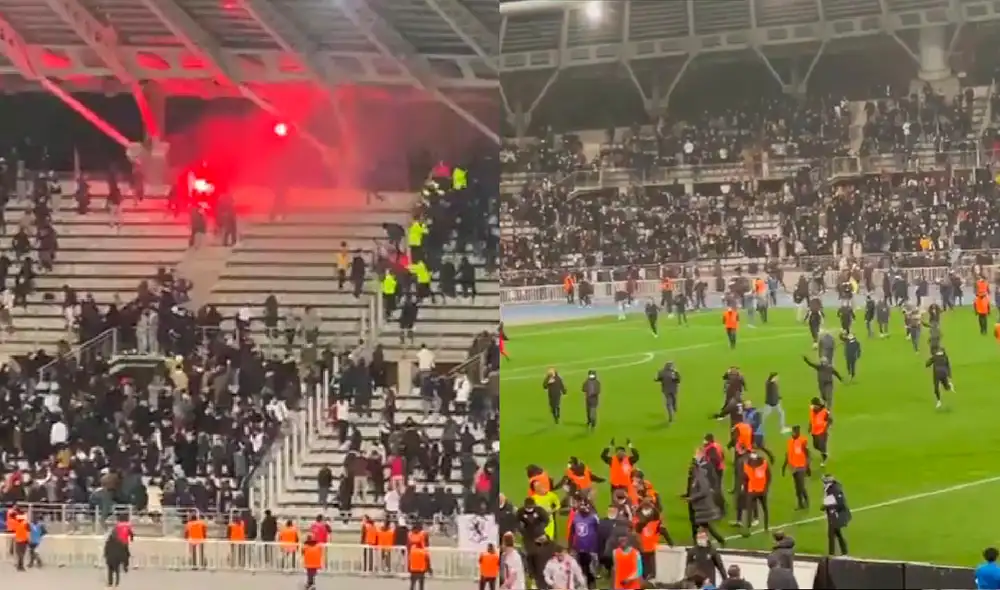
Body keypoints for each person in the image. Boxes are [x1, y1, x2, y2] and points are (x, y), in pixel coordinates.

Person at [740, 451, 771, 534]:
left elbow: (745, 478)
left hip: (753, 491)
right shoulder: (764, 464)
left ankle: (749, 529)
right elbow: (769, 477)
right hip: (759, 490)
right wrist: (766, 488)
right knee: (764, 509)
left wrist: (743, 486)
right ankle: (766, 527)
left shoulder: (747, 466)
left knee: (750, 509)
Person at [782, 425, 811, 510]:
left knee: (801, 486)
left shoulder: (803, 441)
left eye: (794, 432)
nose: (793, 434)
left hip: (801, 467)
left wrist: (808, 466)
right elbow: (788, 454)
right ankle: (800, 504)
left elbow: (807, 454)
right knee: (797, 487)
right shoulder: (790, 441)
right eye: (792, 432)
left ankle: (806, 501)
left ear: (798, 433)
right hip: (793, 467)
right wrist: (784, 467)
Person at [821, 475, 850, 556]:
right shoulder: (830, 488)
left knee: (831, 534)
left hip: (835, 515)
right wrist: (825, 506)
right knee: (837, 533)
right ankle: (844, 551)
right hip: (832, 514)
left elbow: (840, 502)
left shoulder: (834, 489)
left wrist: (829, 507)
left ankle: (832, 553)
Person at [809, 398, 831, 466]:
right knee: (815, 446)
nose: (812, 406)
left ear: (818, 405)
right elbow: (811, 419)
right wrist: (809, 427)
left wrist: (826, 429)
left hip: (822, 432)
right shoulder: (812, 410)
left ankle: (824, 458)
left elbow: (830, 420)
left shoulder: (824, 412)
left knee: (821, 446)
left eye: (814, 405)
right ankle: (824, 452)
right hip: (814, 432)